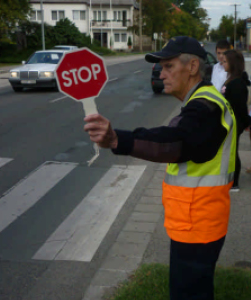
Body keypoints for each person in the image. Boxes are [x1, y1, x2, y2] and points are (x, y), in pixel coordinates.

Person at [84, 36, 237, 300]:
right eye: (161, 67)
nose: (160, 73)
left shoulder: (205, 106)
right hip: (197, 220)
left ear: (191, 67)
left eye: (168, 66)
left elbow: (176, 141)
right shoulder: (202, 100)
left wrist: (119, 139)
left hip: (198, 223)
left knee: (188, 293)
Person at [221, 50, 250, 192]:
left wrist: (242, 124)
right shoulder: (232, 79)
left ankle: (234, 183)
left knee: (232, 152)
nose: (222, 63)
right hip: (228, 122)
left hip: (234, 123)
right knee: (229, 152)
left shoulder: (237, 83)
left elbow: (239, 108)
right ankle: (229, 179)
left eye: (225, 61)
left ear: (233, 63)